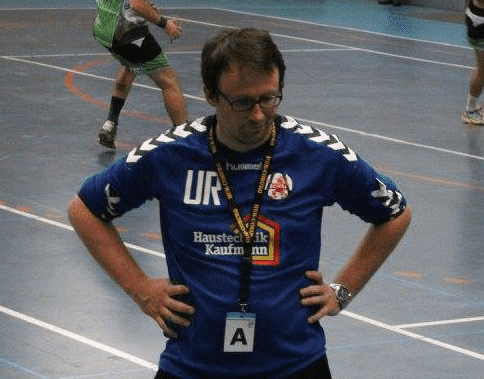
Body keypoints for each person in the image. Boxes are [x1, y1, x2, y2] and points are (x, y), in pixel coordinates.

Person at [68, 27, 412, 379]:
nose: (259, 115)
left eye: (269, 99)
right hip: (193, 366)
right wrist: (140, 289)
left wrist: (342, 290)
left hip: (295, 365)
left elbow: (394, 213)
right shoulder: (170, 154)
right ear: (210, 95)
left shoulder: (317, 154)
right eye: (243, 102)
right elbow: (85, 210)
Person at [93, 0, 187, 148]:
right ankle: (186, 140)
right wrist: (165, 23)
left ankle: (110, 124)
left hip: (103, 29)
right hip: (126, 33)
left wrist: (136, 4)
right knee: (169, 81)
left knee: (130, 66)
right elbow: (136, 2)